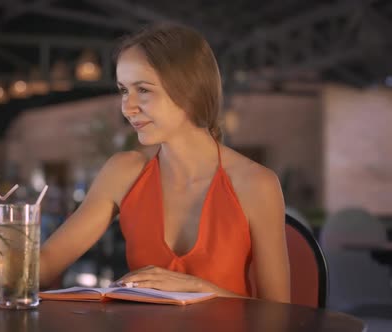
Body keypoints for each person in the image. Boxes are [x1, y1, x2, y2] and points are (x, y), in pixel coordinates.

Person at [40, 22, 290, 303]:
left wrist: (199, 290)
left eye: (143, 90)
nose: (127, 107)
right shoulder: (124, 172)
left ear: (189, 90)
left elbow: (279, 313)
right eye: (123, 90)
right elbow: (45, 264)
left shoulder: (256, 184)